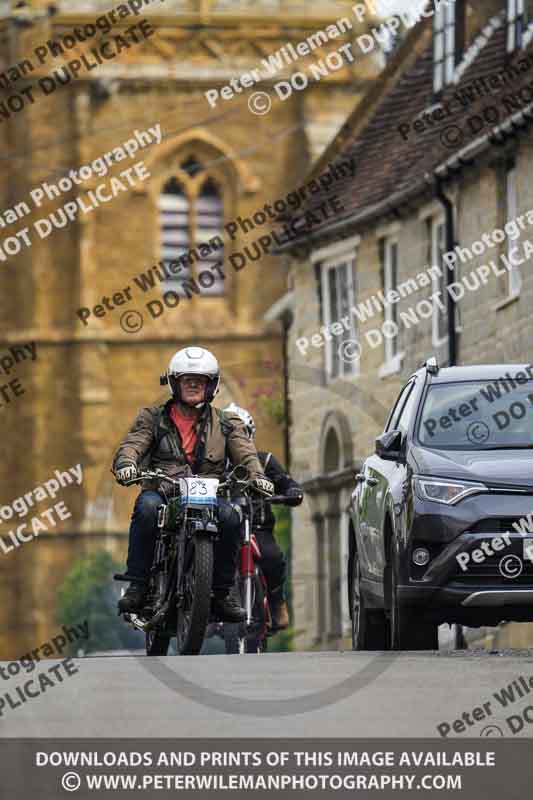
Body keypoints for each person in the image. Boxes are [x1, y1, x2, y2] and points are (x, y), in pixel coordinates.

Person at [112, 346, 274, 622]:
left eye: (201, 381)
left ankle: (222, 593)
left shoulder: (227, 422)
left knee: (231, 517)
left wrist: (258, 477)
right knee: (147, 507)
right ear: (175, 383)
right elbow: (133, 445)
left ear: (212, 386)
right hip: (164, 492)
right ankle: (138, 585)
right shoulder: (152, 418)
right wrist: (127, 465)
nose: (194, 385)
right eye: (187, 380)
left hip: (209, 495)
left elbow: (246, 454)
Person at [223, 403, 303, 630]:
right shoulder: (212, 464)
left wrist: (291, 490)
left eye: (242, 434)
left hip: (257, 528)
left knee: (273, 557)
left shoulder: (265, 461)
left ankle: (277, 602)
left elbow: (286, 482)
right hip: (222, 528)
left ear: (250, 435)